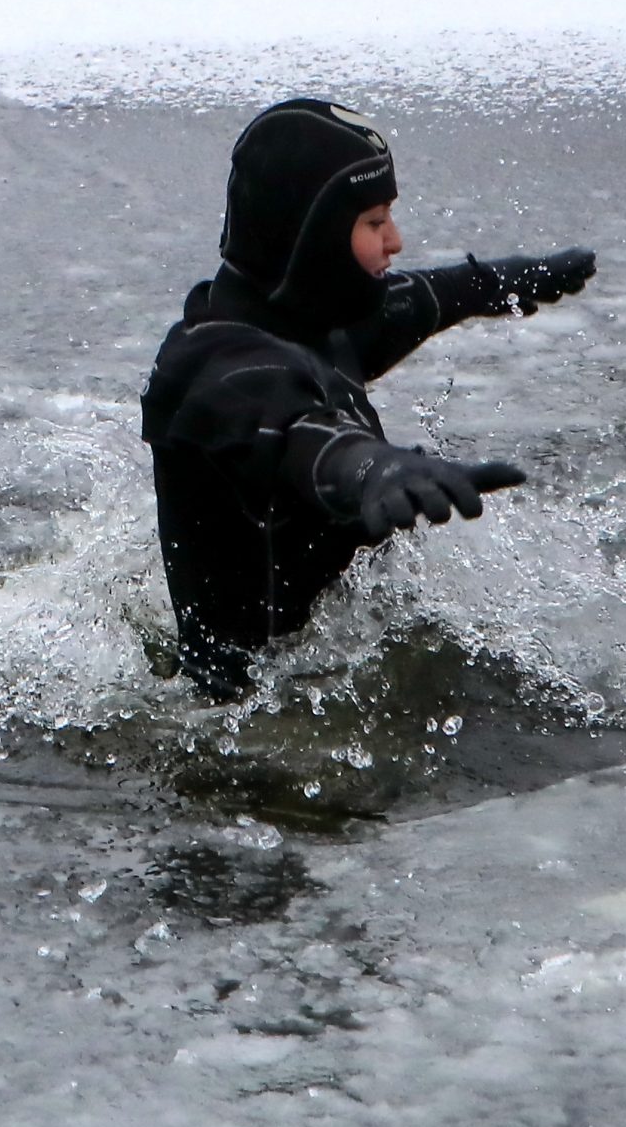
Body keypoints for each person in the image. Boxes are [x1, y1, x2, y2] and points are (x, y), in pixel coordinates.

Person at [140, 98, 596, 698]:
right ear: (313, 238)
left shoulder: (309, 322)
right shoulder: (220, 370)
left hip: (317, 673)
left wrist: (494, 282)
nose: (396, 240)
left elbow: (410, 301)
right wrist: (375, 467)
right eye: (374, 222)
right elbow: (295, 436)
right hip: (242, 726)